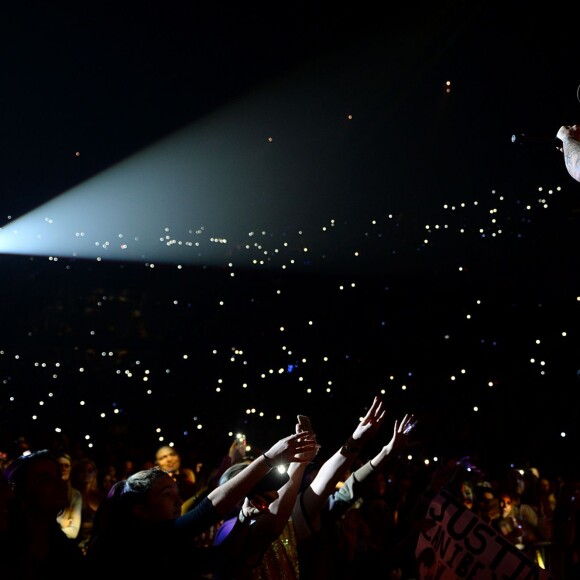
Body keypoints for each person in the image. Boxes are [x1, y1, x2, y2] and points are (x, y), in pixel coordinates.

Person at [84, 430, 317, 579]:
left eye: (177, 493)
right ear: (140, 509)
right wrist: (268, 459)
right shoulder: (133, 541)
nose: (178, 500)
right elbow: (205, 513)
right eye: (167, 494)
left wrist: (244, 518)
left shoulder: (171, 546)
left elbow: (220, 558)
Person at [0, 449, 86, 577]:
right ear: (21, 493)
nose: (60, 484)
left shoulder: (68, 553)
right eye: (45, 479)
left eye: (59, 476)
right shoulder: (6, 553)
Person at [55, 451, 83, 541]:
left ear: (71, 469)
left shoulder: (75, 495)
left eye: (66, 466)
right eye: (60, 465)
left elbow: (74, 531)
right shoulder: (45, 491)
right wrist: (63, 523)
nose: (63, 468)